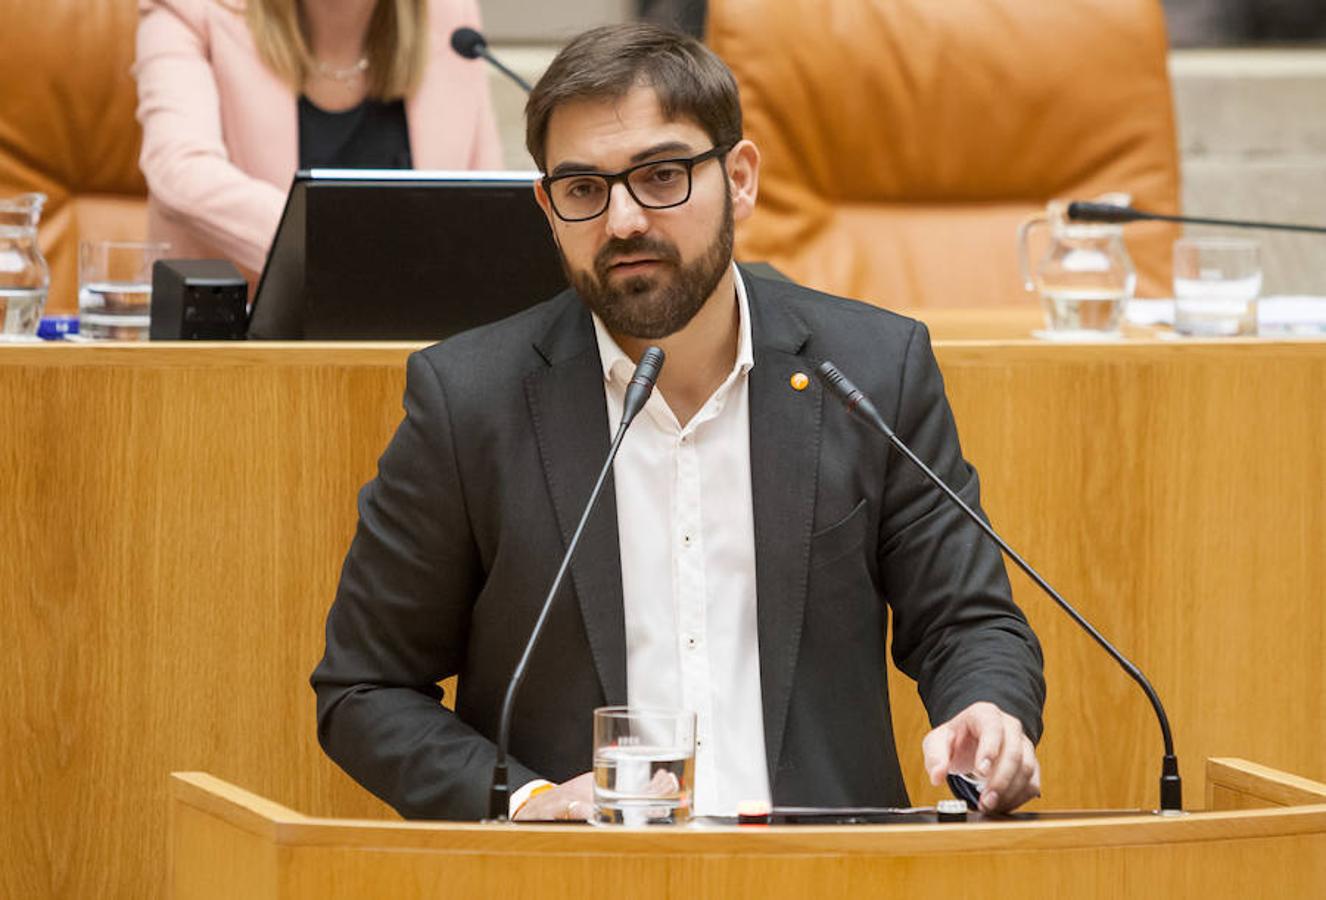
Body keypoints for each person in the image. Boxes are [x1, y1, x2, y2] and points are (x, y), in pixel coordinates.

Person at [311, 23, 1045, 822]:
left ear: (741, 177)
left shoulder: (869, 371)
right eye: (585, 189)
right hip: (578, 880)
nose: (624, 220)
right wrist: (529, 799)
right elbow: (365, 688)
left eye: (662, 175)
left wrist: (989, 709)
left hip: (829, 871)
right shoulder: (470, 401)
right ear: (548, 209)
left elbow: (968, 621)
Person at [133, 0, 503, 280]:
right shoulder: (194, 11)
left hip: (415, 345)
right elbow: (178, 168)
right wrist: (340, 248)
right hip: (241, 351)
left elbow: (488, 201)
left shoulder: (449, 18)